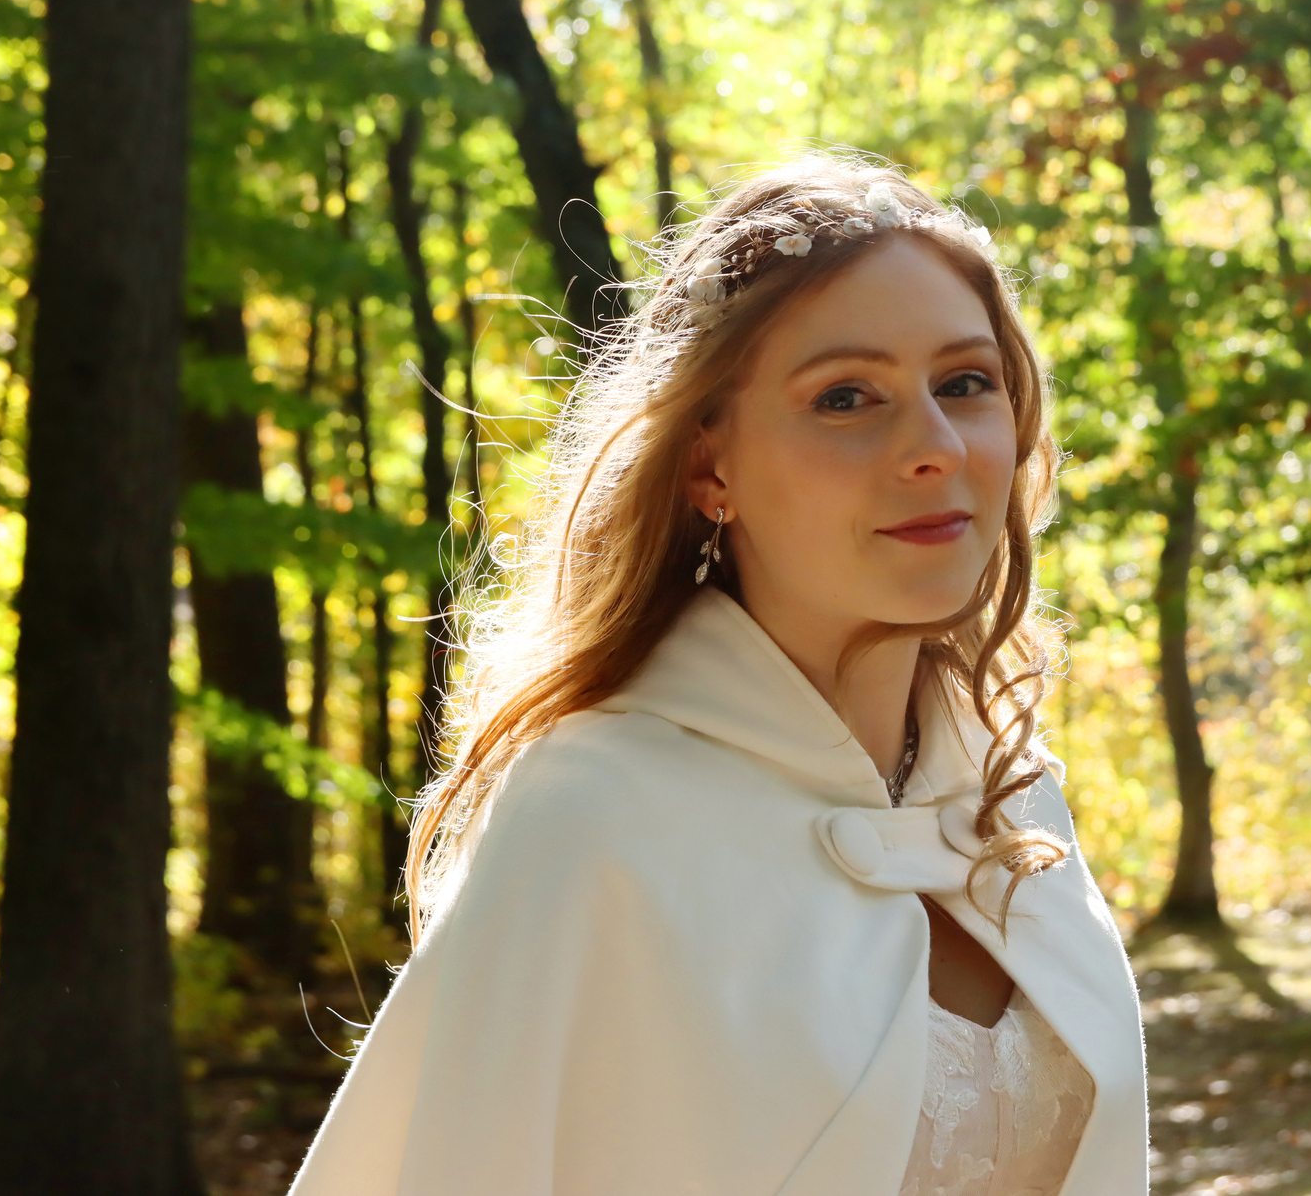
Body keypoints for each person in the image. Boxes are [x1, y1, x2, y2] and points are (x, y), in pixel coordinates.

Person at [288, 157, 1150, 1196]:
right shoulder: (592, 817)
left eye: (964, 383)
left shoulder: (1007, 791)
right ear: (710, 468)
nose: (933, 444)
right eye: (845, 398)